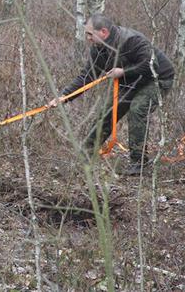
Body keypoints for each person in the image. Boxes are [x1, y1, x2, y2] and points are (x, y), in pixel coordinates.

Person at [48, 14, 175, 175]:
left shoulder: (132, 40)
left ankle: (139, 163)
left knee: (137, 110)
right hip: (129, 81)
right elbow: (86, 77)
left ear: (103, 32)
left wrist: (123, 71)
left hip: (157, 79)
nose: (87, 38)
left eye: (89, 34)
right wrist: (64, 97)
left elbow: (151, 65)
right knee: (107, 113)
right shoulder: (98, 50)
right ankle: (85, 156)